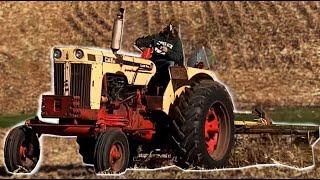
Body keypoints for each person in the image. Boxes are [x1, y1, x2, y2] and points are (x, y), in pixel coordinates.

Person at [135, 20, 184, 94]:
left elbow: (178, 57)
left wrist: (167, 51)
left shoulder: (176, 41)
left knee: (170, 64)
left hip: (167, 63)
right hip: (154, 62)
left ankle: (164, 92)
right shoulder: (157, 37)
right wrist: (144, 43)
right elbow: (140, 42)